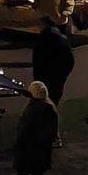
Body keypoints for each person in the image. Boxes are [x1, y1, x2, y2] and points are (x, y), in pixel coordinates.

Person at [9, 81, 59, 175]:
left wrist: (17, 148)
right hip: (42, 153)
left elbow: (23, 133)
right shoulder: (50, 108)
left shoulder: (31, 110)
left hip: (27, 153)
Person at [33, 16, 74, 146]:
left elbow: (39, 60)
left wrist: (39, 77)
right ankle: (51, 135)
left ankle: (52, 136)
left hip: (48, 78)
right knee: (52, 106)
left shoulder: (45, 38)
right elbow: (70, 60)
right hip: (57, 77)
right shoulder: (61, 38)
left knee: (47, 107)